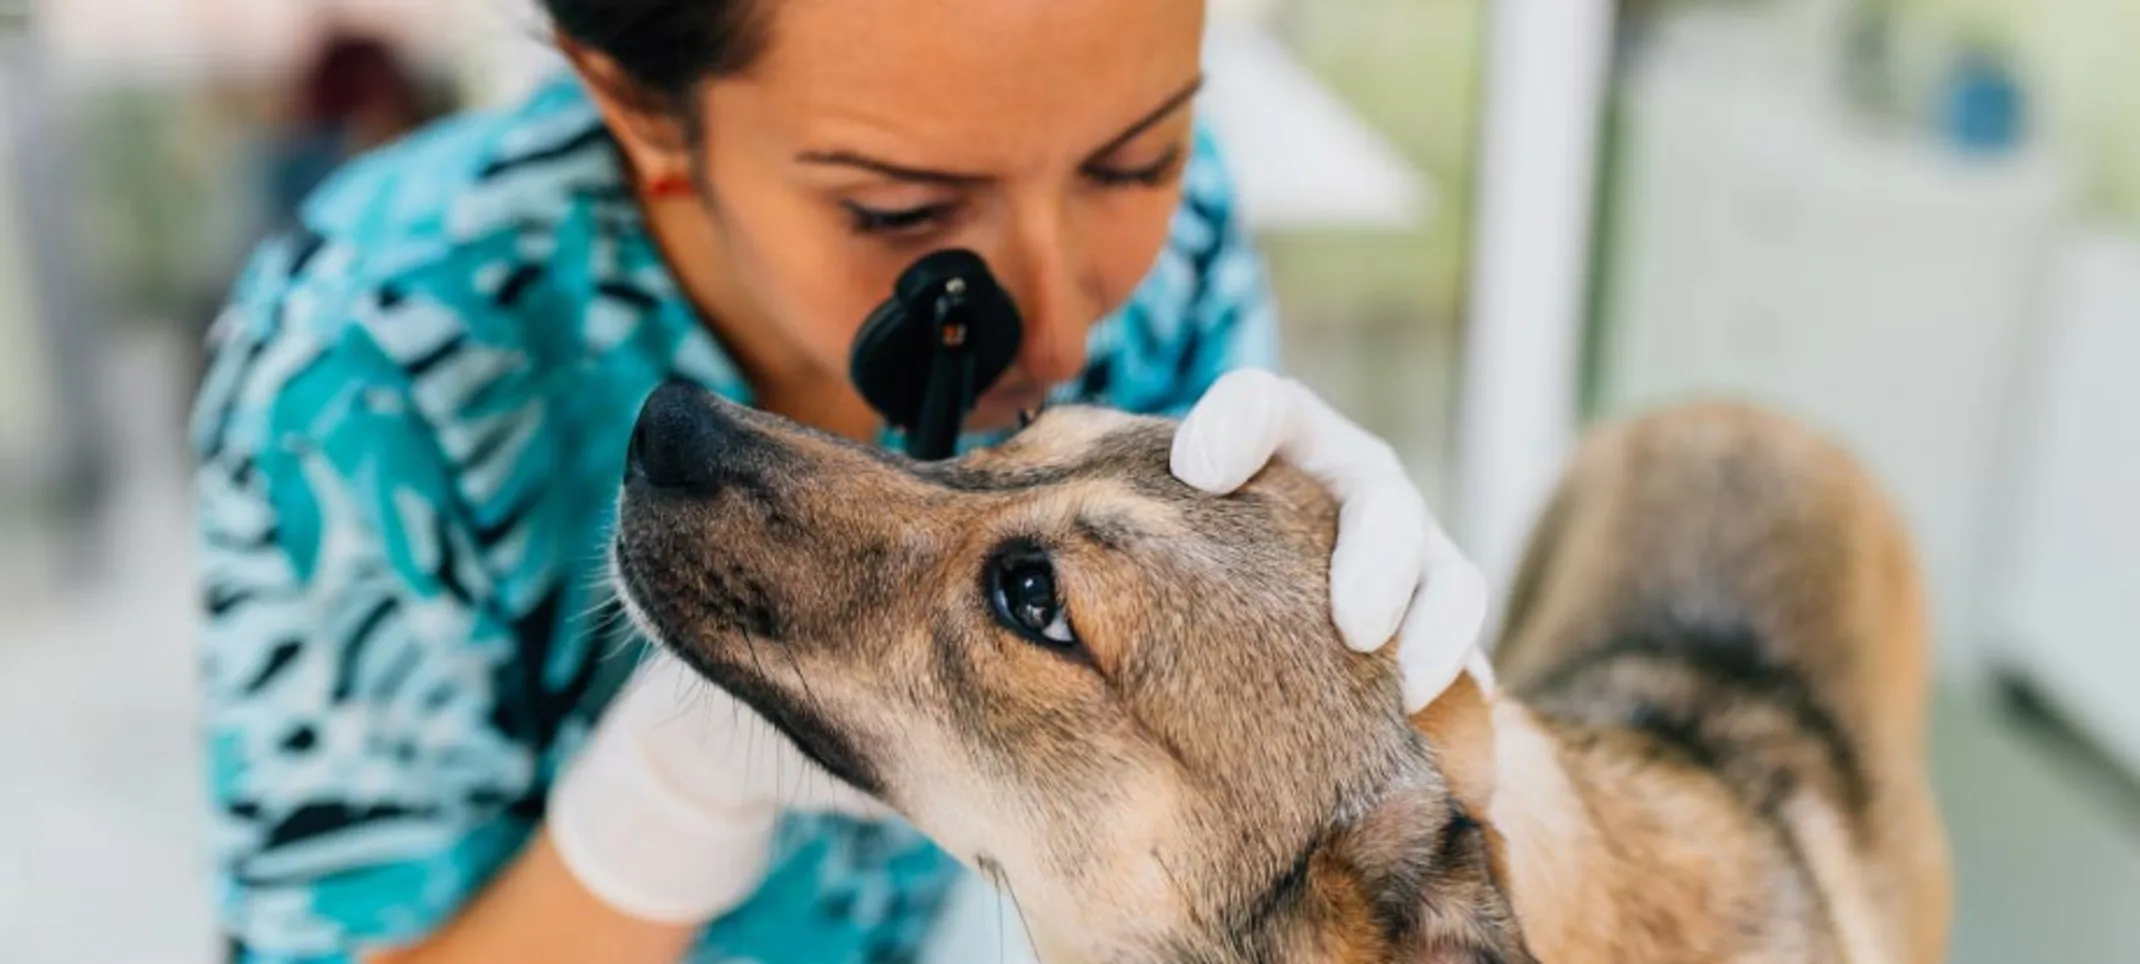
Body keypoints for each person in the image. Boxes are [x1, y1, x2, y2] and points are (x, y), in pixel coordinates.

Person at [189, 2, 1487, 962]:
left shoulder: (1183, 240)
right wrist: (651, 816)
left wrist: (1416, 723)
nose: (1060, 321)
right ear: (642, 110)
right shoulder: (368, 366)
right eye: (902, 208)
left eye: (1132, 160)